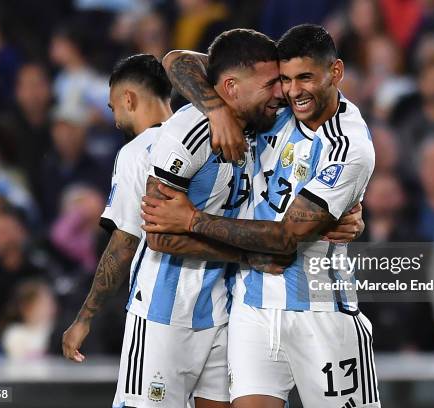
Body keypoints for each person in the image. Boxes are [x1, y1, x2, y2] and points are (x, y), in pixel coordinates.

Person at [144, 24, 378, 408]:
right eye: (285, 79)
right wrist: (216, 109)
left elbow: (286, 240)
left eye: (306, 77)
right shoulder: (279, 106)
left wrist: (191, 220)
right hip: (252, 305)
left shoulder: (349, 147)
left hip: (321, 311)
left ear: (335, 73)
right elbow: (177, 60)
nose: (293, 90)